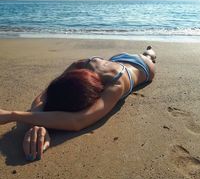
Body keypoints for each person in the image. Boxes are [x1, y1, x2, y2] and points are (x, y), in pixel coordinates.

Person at [0, 46, 156, 161]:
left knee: (148, 56)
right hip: (116, 59)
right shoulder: (80, 64)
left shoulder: (116, 86)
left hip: (142, 66)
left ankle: (149, 50)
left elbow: (78, 121)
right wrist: (38, 124)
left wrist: (13, 115)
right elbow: (45, 95)